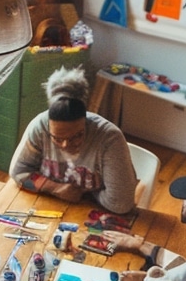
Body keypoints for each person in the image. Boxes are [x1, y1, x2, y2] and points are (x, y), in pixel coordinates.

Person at [9, 66, 138, 214]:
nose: (65, 145)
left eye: (76, 136)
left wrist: (83, 195)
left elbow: (120, 203)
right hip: (49, 205)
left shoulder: (110, 139)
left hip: (94, 213)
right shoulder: (40, 126)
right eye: (56, 138)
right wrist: (55, 188)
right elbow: (17, 172)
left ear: (86, 122)